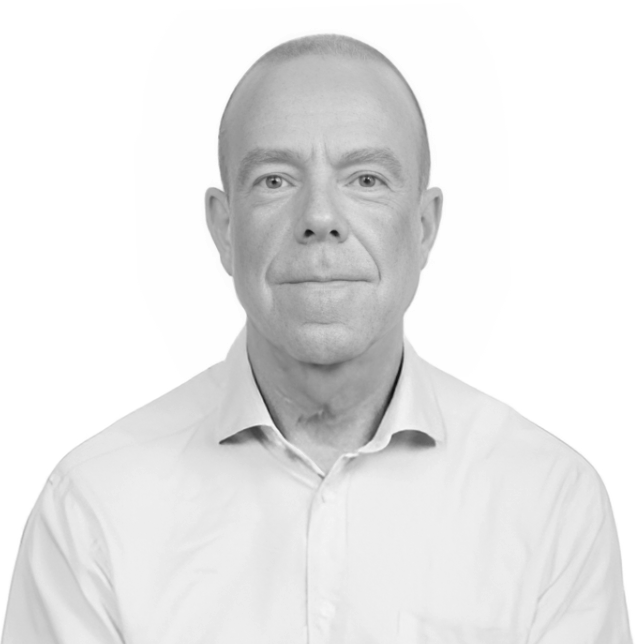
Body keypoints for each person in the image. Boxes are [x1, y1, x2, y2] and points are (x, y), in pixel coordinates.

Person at [1, 34, 632, 644]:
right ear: (224, 228)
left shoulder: (550, 502)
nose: (321, 218)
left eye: (367, 179)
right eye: (275, 180)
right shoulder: (92, 510)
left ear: (423, 227)